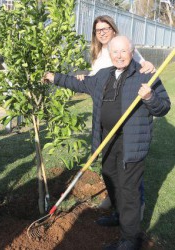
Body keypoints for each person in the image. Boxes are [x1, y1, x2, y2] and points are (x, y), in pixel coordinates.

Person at [42, 36, 170, 250]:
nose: (119, 56)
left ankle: (130, 240)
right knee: (110, 178)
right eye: (115, 52)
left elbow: (163, 107)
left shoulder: (145, 74)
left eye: (123, 51)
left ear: (132, 52)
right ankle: (118, 215)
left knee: (129, 189)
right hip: (107, 139)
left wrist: (149, 97)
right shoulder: (103, 75)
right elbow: (77, 83)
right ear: (110, 54)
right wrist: (53, 77)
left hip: (131, 143)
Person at [78, 15, 154, 212]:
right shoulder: (98, 52)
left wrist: (149, 66)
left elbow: (143, 67)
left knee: (130, 164)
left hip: (128, 115)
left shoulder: (123, 46)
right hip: (107, 113)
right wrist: (84, 77)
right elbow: (98, 78)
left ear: (113, 29)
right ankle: (115, 201)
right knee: (110, 163)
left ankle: (138, 205)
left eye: (106, 28)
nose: (102, 32)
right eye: (98, 30)